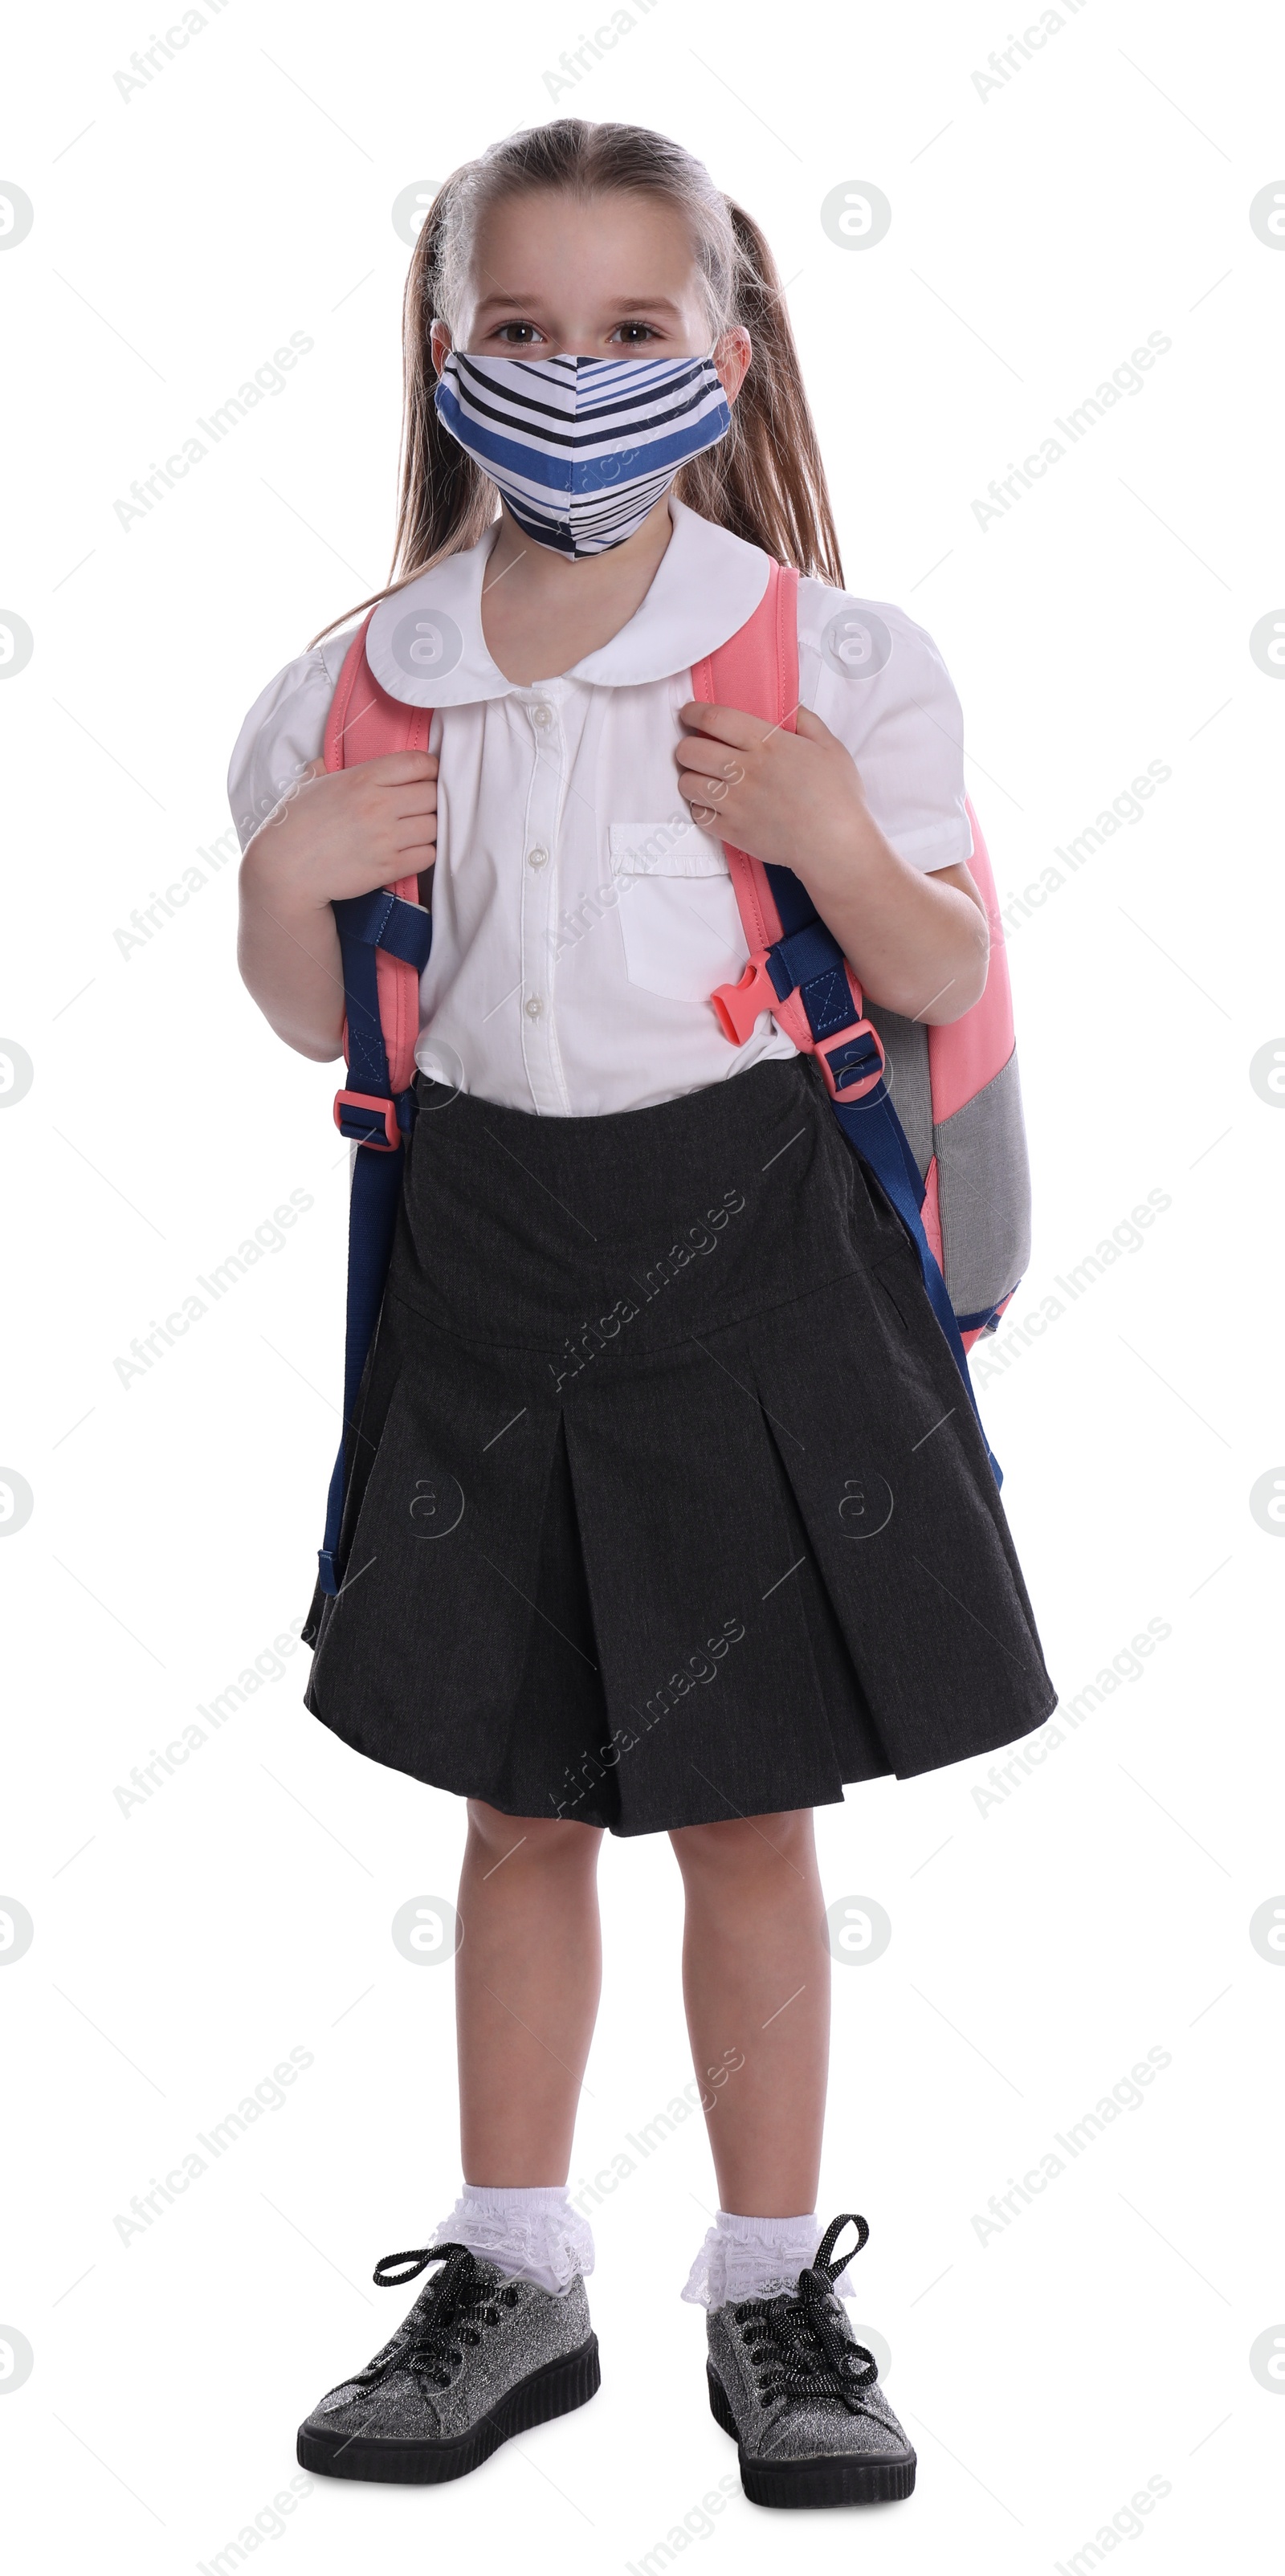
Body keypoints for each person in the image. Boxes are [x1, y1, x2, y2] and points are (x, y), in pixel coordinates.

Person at [230, 116, 1056, 2512]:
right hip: (488, 1259)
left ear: (726, 345)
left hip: (754, 1249)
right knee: (513, 1801)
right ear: (442, 343)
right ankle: (516, 2275)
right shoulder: (359, 689)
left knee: (750, 1808)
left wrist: (818, 827)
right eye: (519, 329)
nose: (570, 377)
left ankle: (776, 2289)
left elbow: (932, 971)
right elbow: (327, 1028)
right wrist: (284, 884)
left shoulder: (834, 664)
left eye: (628, 331)